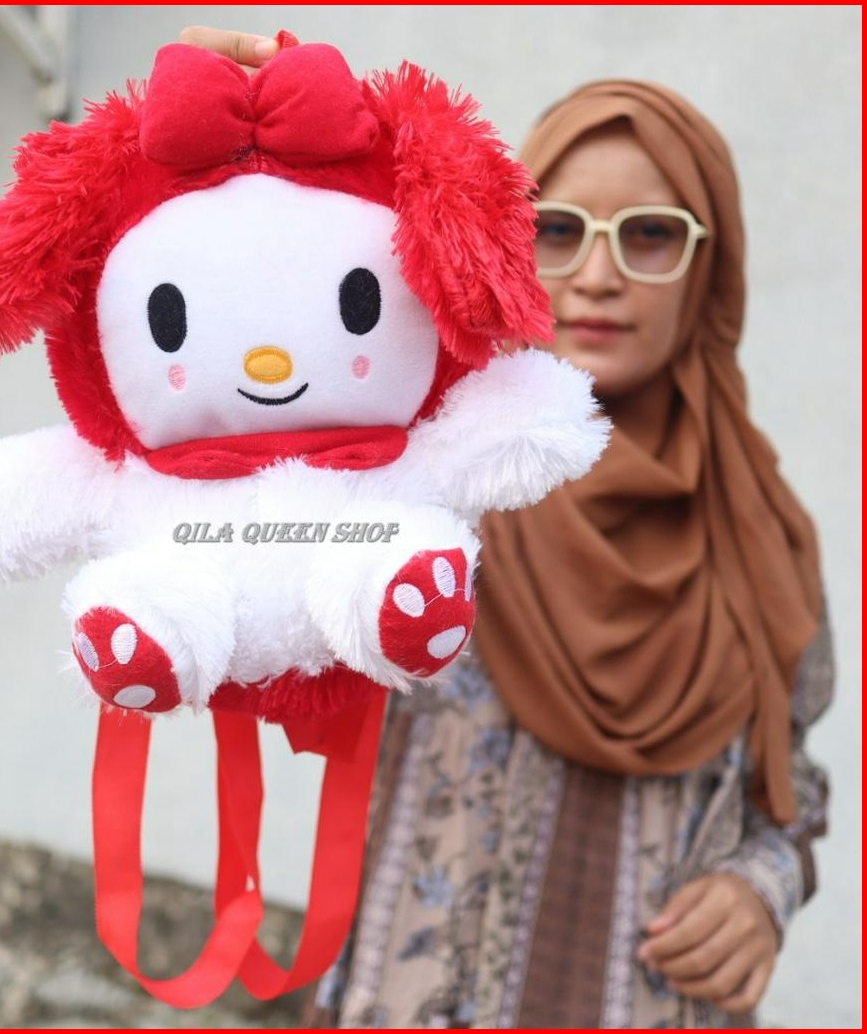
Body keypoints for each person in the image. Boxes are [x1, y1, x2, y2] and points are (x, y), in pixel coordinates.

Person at [180, 28, 833, 1028]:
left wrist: (762, 889)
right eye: (556, 228)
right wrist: (253, 153)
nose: (598, 273)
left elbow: (786, 788)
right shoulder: (425, 479)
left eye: (649, 235)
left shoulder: (762, 536)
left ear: (711, 265)